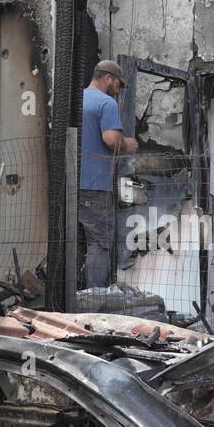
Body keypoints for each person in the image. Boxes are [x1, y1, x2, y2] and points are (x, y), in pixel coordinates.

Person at [79, 60, 137, 289]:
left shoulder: (79, 99)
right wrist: (127, 144)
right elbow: (110, 139)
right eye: (118, 85)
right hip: (96, 185)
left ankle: (75, 298)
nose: (119, 90)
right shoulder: (107, 102)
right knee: (100, 244)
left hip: (76, 184)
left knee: (79, 243)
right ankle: (94, 299)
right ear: (108, 78)